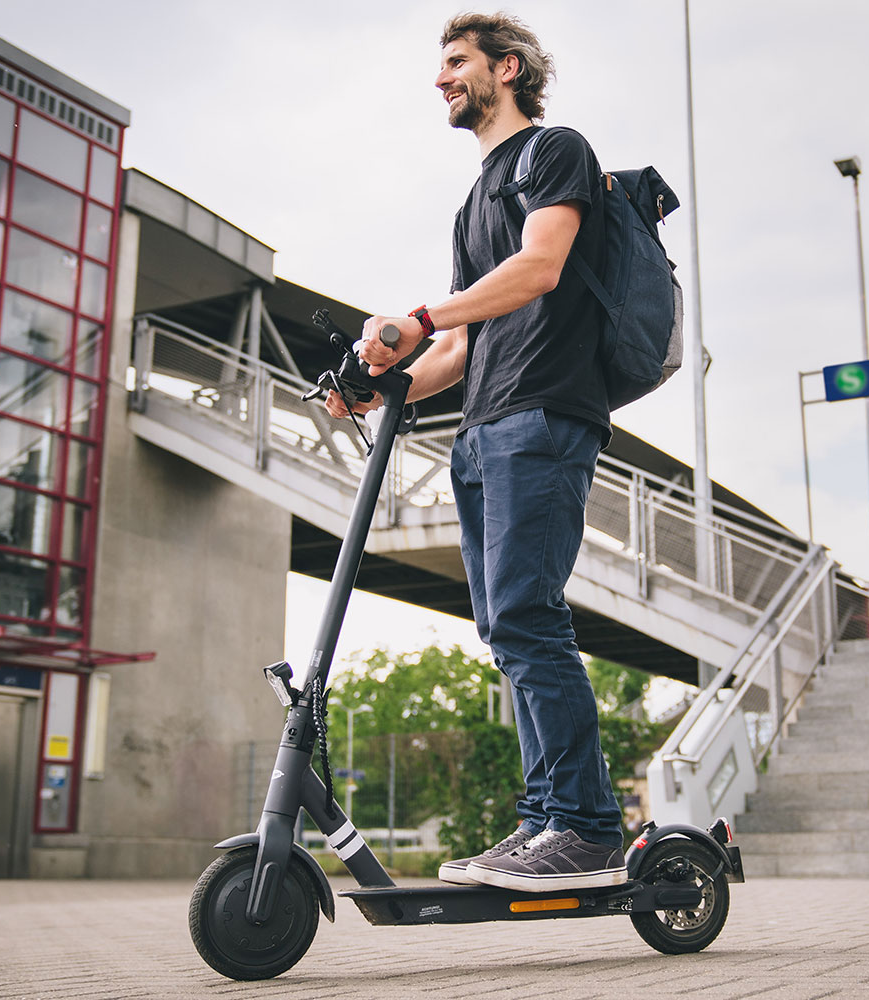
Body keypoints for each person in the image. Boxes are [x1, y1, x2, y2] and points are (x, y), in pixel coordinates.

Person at [323, 12, 624, 892]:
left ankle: (589, 830)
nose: (442, 78)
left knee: (531, 617)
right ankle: (545, 822)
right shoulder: (473, 201)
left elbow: (539, 271)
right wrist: (379, 385)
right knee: (506, 630)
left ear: (508, 67)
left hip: (544, 417)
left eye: (457, 63)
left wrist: (418, 316)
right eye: (442, 65)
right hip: (484, 429)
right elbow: (458, 351)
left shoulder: (554, 152)